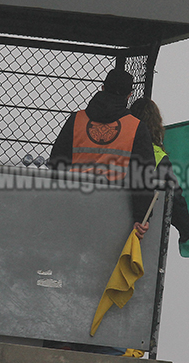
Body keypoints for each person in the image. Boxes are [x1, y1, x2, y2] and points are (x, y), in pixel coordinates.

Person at [48, 68, 155, 240]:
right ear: (129, 95)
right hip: (115, 210)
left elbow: (56, 163)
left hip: (72, 203)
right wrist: (141, 217)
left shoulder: (76, 120)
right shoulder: (136, 128)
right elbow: (143, 175)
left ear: (103, 88)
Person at [130, 97, 189, 243]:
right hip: (141, 230)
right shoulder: (157, 155)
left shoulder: (120, 145)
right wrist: (185, 231)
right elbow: (174, 197)